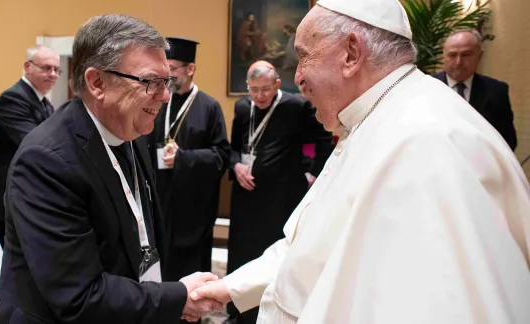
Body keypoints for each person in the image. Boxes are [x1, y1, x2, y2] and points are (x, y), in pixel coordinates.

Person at [191, 1, 530, 323]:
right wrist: (229, 288)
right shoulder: (377, 120)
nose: (297, 78)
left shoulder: (428, 143)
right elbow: (314, 247)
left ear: (351, 54)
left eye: (304, 57)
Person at [0, 14, 221, 324]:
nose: (165, 95)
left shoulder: (132, 130)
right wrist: (177, 298)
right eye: (151, 82)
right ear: (97, 82)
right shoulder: (45, 161)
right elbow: (78, 296)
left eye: (166, 81)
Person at [226, 60, 334, 323]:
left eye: (265, 89)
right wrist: (236, 165)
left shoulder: (296, 106)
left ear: (276, 84)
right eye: (254, 90)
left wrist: (312, 176)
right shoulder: (243, 107)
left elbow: (323, 141)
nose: (260, 96)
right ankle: (238, 313)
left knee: (273, 257)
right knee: (242, 253)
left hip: (282, 199)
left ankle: (271, 311)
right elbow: (234, 148)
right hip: (246, 197)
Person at [147, 37, 230, 283]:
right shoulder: (159, 102)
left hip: (192, 208)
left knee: (189, 274)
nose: (168, 76)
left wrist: (182, 158)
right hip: (159, 201)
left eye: (172, 70)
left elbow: (221, 156)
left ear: (190, 69)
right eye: (165, 71)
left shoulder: (209, 107)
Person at [0, 44, 60, 247]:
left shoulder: (45, 104)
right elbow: (38, 144)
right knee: (20, 268)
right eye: (47, 68)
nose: (53, 74)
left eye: (56, 69)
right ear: (27, 67)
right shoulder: (13, 99)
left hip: (33, 195)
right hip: (13, 196)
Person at [434, 28, 517, 151]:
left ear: (480, 56)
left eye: (466, 55)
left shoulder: (497, 91)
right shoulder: (425, 87)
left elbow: (507, 140)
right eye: (452, 55)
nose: (458, 62)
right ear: (444, 55)